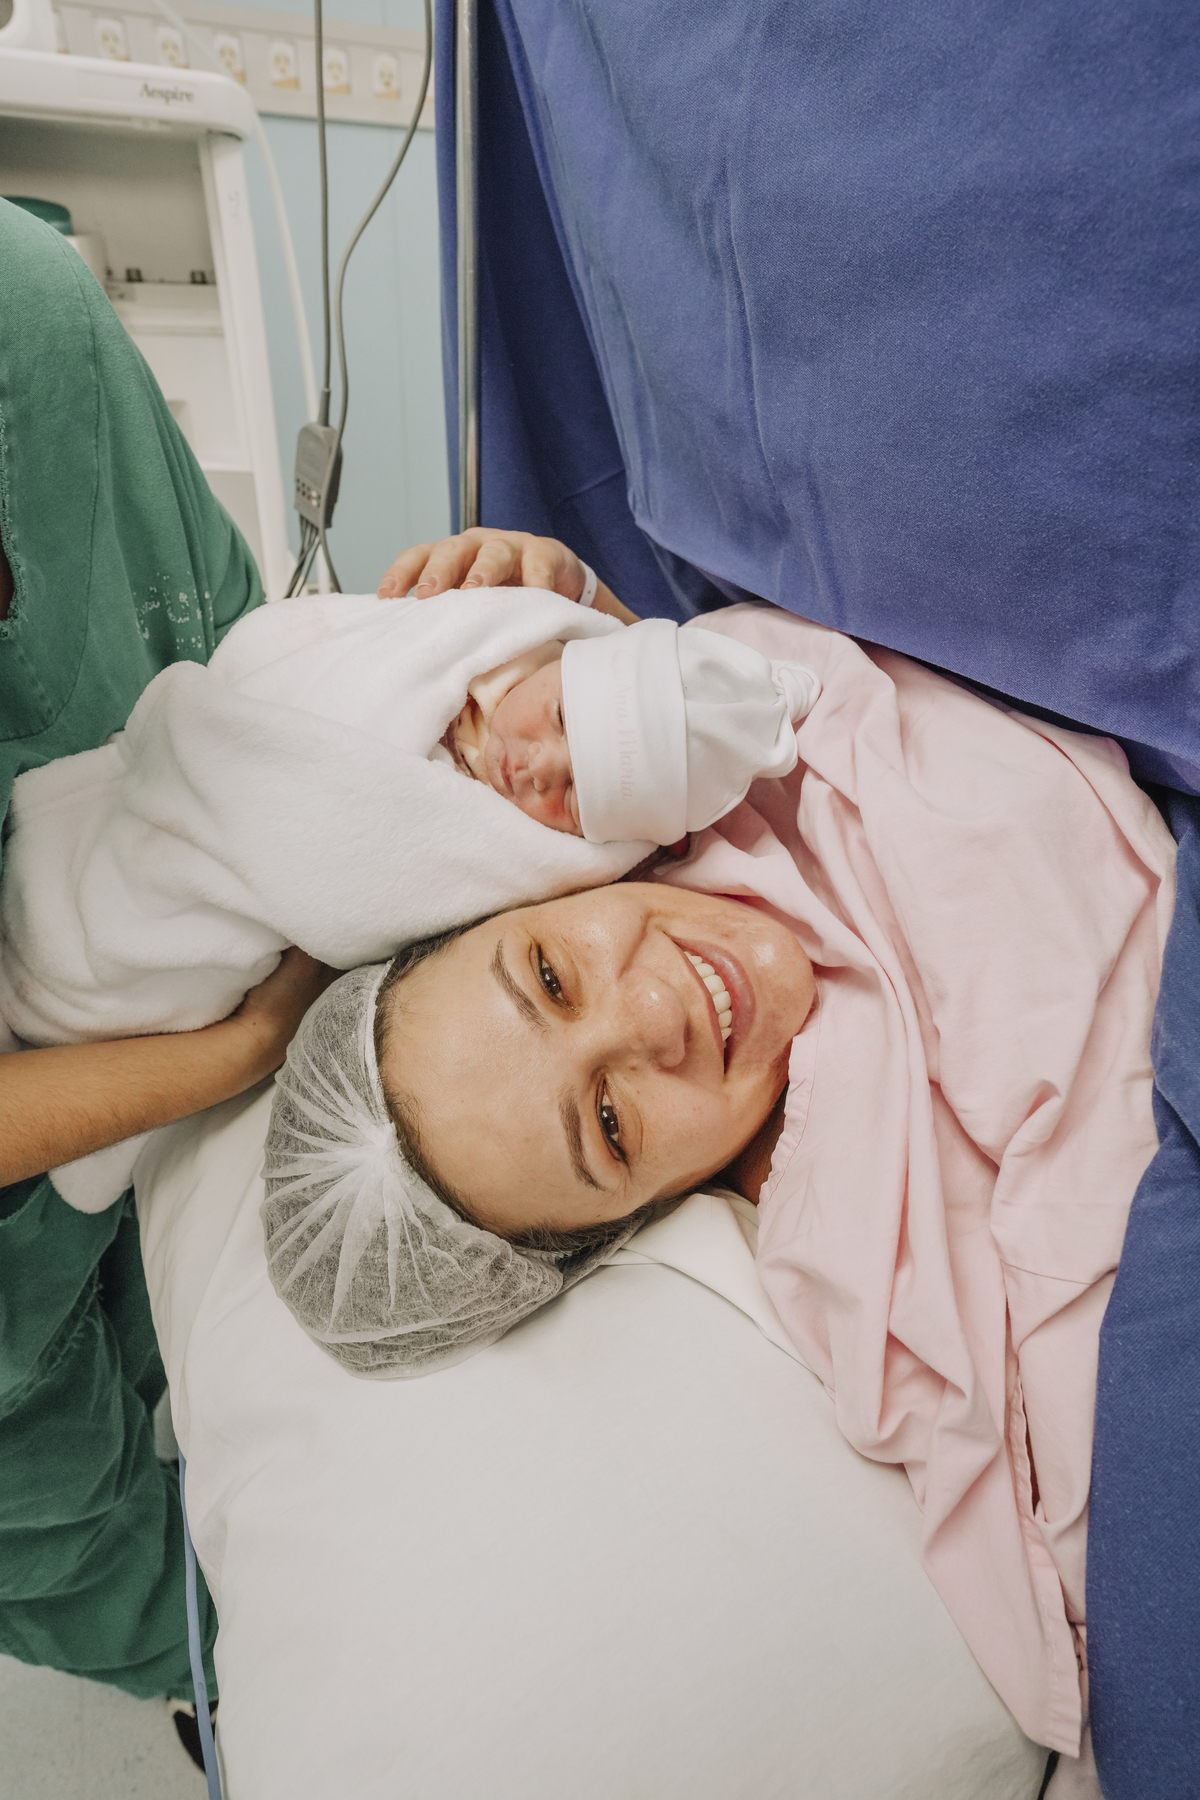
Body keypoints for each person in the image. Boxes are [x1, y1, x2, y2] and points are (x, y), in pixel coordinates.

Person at [262, 526, 1175, 1790]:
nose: (654, 1013)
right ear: (632, 1220)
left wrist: (581, 618)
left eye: (551, 975)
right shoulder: (880, 1267)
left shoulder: (686, 753)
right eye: (611, 1125)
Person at [0, 195, 333, 1751]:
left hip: (197, 1049)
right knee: (80, 1527)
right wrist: (237, 1049)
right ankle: (217, 1678)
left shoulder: (38, 325)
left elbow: (251, 671)